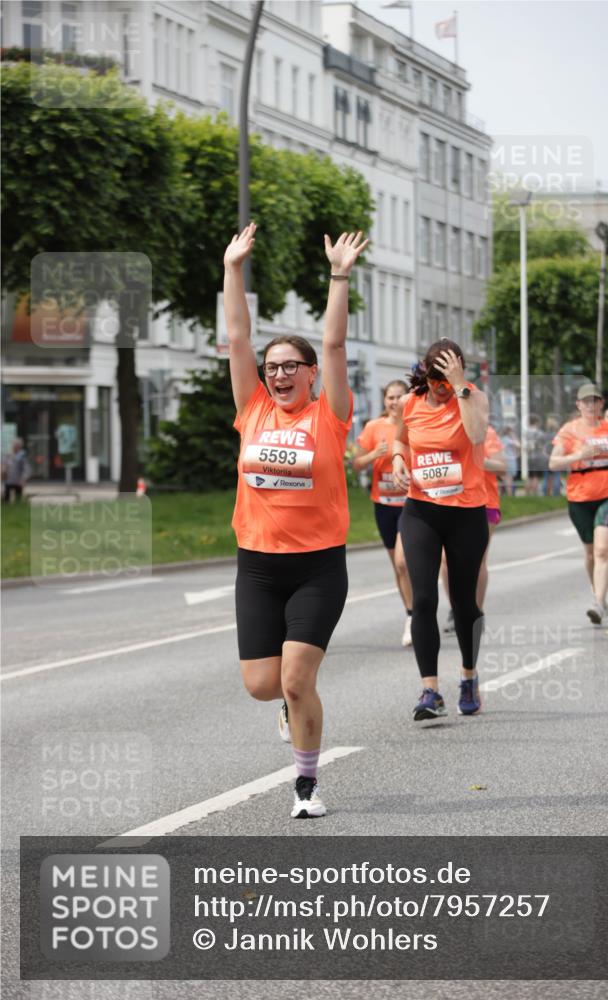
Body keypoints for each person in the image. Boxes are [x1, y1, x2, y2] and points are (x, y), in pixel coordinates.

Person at [224, 223, 368, 819]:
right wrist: (233, 269)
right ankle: (289, 705)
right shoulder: (253, 409)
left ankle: (306, 785)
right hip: (257, 565)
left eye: (291, 366)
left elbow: (334, 345)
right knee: (262, 684)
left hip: (316, 568)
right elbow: (236, 337)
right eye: (272, 367)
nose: (279, 374)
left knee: (295, 678)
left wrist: (338, 276)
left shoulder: (329, 416)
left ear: (310, 374)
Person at [391, 338, 489, 720]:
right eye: (434, 377)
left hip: (465, 512)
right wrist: (399, 460)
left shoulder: (472, 397)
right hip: (421, 511)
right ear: (424, 373)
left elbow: (477, 435)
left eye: (446, 378)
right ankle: (430, 689)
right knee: (424, 600)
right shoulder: (411, 402)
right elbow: (398, 438)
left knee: (464, 603)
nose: (439, 386)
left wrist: (461, 385)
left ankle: (468, 675)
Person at [549, 383, 608, 624]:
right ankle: (597, 593)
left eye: (595, 401)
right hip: (580, 496)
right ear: (578, 405)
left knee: (603, 550)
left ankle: (599, 603)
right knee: (591, 552)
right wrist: (578, 456)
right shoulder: (568, 431)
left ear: (601, 404)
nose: (591, 405)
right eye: (586, 401)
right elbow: (553, 462)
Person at [352, 381, 413, 646]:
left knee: (403, 563)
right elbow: (356, 464)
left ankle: (415, 616)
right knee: (398, 567)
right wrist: (374, 454)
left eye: (400, 396)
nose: (395, 401)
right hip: (384, 504)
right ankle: (411, 611)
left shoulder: (416, 423)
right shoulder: (373, 428)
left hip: (412, 504)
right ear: (384, 400)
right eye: (390, 397)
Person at [440, 423, 507, 620]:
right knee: (445, 560)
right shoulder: (443, 428)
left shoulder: (486, 432)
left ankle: (476, 611)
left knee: (477, 560)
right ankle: (456, 609)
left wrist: (475, 459)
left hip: (484, 503)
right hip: (450, 501)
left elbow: (502, 467)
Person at [2, 438, 30, 503]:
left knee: (18, 499)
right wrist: (3, 470)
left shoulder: (22, 456)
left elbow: (27, 469)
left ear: (19, 447)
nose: (13, 446)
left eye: (14, 445)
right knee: (6, 499)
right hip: (8, 480)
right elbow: (4, 464)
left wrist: (23, 479)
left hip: (18, 481)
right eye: (13, 445)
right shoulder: (9, 455)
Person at [499, 425, 519, 496]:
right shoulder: (508, 439)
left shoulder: (501, 439)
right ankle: (509, 494)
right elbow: (518, 445)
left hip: (503, 460)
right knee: (508, 479)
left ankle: (504, 494)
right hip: (509, 461)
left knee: (505, 479)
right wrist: (514, 437)